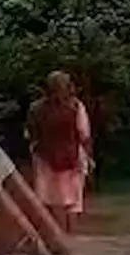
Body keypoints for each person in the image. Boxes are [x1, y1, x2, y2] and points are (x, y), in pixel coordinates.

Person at [26, 71, 92, 233]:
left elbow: (30, 134)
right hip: (72, 157)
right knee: (73, 200)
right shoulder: (76, 106)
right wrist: (89, 156)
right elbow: (84, 134)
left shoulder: (36, 109)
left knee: (48, 199)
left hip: (44, 158)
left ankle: (54, 236)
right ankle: (71, 237)